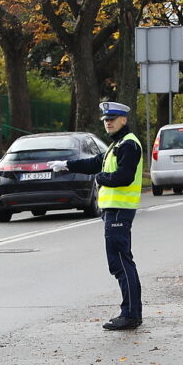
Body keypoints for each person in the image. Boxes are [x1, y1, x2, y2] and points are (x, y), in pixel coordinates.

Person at [49, 101, 145, 331]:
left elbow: (124, 176)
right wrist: (66, 165)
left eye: (112, 118)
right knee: (120, 262)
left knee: (121, 262)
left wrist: (101, 178)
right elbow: (94, 162)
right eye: (105, 119)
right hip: (114, 210)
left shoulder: (129, 145)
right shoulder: (117, 145)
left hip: (120, 209)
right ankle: (131, 311)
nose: (108, 122)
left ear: (124, 120)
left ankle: (131, 314)